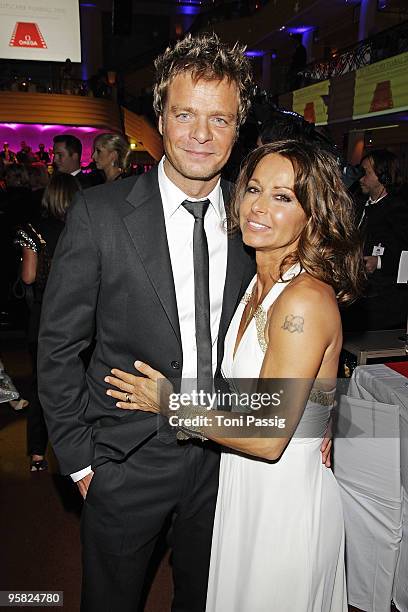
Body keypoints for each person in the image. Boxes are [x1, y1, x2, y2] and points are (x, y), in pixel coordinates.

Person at [38, 33, 330, 611]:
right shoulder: (99, 216)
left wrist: (319, 418)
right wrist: (80, 463)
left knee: (204, 600)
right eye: (185, 114)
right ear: (161, 118)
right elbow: (56, 348)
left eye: (219, 119)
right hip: (124, 462)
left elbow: (307, 320)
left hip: (226, 465)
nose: (201, 134)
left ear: (237, 127)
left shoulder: (255, 224)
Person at [107, 140, 365, 610]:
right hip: (243, 486)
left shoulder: (303, 300)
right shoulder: (255, 281)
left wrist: (168, 401)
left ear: (314, 214)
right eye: (253, 189)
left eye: (283, 197)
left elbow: (268, 436)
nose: (259, 207)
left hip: (283, 502)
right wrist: (323, 413)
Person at [15, 173, 79, 470]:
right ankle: (79, 451)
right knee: (78, 383)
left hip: (44, 318)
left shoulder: (34, 230)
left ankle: (38, 454)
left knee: (42, 385)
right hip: (80, 317)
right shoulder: (84, 228)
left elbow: (28, 276)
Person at [343, 148, 408, 331]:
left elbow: (404, 255)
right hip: (359, 295)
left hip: (384, 304)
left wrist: (379, 261)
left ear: (383, 177)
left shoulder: (398, 209)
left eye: (366, 172)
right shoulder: (358, 203)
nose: (361, 177)